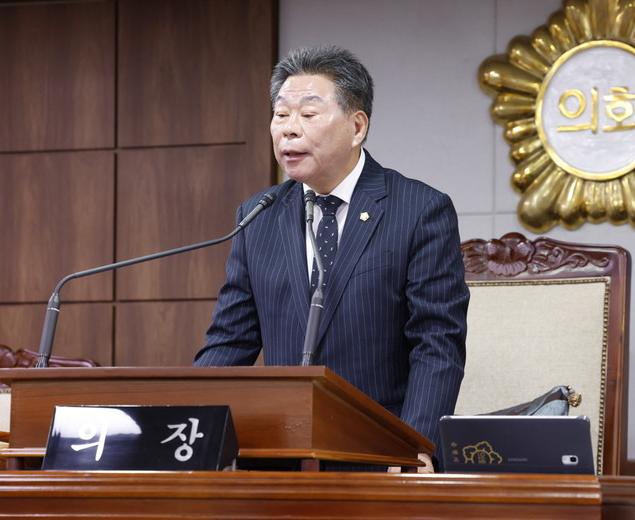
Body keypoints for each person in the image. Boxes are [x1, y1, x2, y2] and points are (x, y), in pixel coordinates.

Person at [194, 45, 468, 473]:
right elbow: (230, 341)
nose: (289, 130)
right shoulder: (259, 215)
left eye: (308, 114)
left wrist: (415, 446)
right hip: (277, 458)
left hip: (378, 454)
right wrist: (184, 422)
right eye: (280, 115)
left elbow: (436, 342)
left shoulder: (419, 210)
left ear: (357, 126)